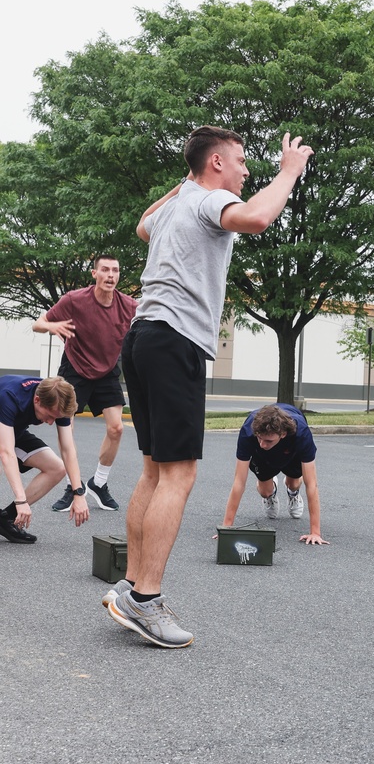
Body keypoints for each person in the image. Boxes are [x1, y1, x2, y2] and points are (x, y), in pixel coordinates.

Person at [105, 126, 313, 649]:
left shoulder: (177, 205)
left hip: (142, 339)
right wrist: (288, 173)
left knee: (155, 471)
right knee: (179, 475)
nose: (246, 171)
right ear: (216, 163)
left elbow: (141, 227)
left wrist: (184, 181)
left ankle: (130, 586)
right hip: (174, 342)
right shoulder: (212, 200)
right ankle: (145, 600)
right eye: (241, 161)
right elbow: (259, 218)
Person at [33, 254, 138, 513]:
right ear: (95, 274)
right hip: (75, 369)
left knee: (117, 429)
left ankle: (99, 483)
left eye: (115, 270)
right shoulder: (74, 299)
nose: (110, 275)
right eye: (105, 270)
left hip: (107, 371)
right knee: (67, 428)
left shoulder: (129, 306)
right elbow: (38, 324)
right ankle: (72, 485)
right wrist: (52, 326)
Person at [218, 403, 328, 546]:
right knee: (265, 491)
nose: (263, 444)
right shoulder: (248, 430)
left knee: (294, 483)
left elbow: (312, 484)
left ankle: (293, 493)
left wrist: (315, 533)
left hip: (291, 451)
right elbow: (239, 481)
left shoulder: (301, 433)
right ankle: (272, 492)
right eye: (260, 438)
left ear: (282, 434)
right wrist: (226, 528)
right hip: (262, 457)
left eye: (268, 440)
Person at [0, 375, 90, 543]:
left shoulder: (58, 398)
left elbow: (68, 449)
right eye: (49, 416)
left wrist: (78, 493)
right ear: (37, 400)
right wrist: (21, 500)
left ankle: (5, 519)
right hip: (3, 426)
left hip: (13, 429)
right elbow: (6, 453)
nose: (50, 423)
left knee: (57, 468)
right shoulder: (9, 396)